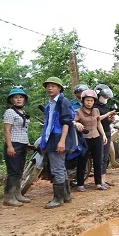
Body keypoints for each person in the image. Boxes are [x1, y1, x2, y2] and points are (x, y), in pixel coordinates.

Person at [37, 76, 76, 209]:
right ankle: (66, 195)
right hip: (51, 139)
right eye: (48, 86)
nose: (49, 88)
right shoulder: (50, 105)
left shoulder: (63, 102)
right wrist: (44, 143)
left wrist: (62, 141)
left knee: (57, 168)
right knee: (60, 167)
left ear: (59, 88)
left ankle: (58, 198)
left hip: (58, 138)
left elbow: (67, 122)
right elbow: (47, 126)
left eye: (53, 85)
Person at [2, 87, 32, 206]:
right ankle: (8, 197)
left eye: (21, 97)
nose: (19, 99)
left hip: (22, 144)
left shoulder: (22, 112)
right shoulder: (10, 112)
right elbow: (6, 130)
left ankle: (18, 194)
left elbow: (22, 130)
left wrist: (26, 144)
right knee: (13, 171)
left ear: (24, 99)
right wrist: (10, 146)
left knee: (19, 171)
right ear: (11, 100)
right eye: (16, 97)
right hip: (13, 144)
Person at [74, 89, 108, 191]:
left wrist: (104, 135)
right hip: (84, 139)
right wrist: (76, 123)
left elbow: (98, 123)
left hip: (96, 137)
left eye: (91, 101)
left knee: (98, 160)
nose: (89, 103)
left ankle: (98, 183)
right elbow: (72, 122)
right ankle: (80, 184)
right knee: (82, 161)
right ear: (83, 101)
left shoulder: (96, 111)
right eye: (87, 100)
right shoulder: (78, 112)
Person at [94, 84, 118, 184]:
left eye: (107, 97)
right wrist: (108, 114)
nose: (106, 98)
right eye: (104, 96)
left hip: (107, 132)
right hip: (98, 134)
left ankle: (103, 178)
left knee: (105, 157)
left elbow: (105, 121)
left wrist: (111, 119)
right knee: (99, 157)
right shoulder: (95, 107)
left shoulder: (105, 107)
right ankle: (99, 180)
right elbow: (97, 120)